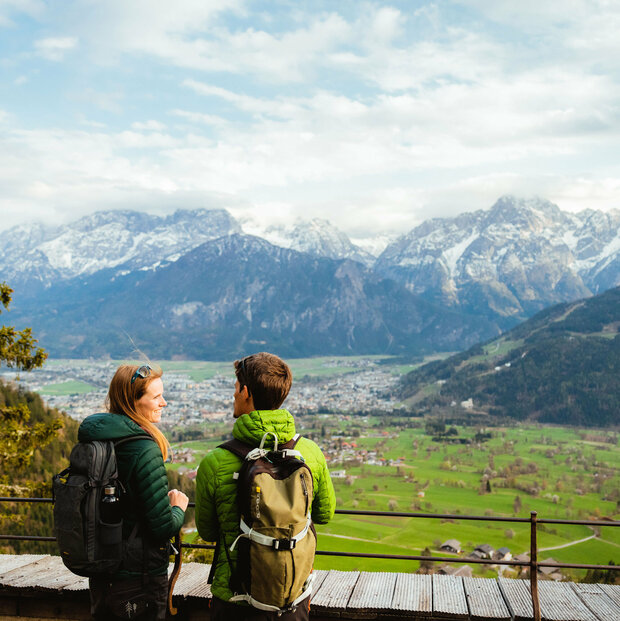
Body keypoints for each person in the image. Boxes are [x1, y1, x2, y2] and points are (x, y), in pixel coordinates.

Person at [196, 352, 336, 621]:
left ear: (246, 392)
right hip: (293, 598)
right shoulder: (310, 453)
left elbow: (208, 530)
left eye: (236, 388)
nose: (233, 394)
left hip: (235, 600)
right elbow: (324, 515)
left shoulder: (215, 462)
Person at [78, 364, 189, 620]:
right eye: (156, 397)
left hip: (102, 570)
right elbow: (161, 527)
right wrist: (177, 508)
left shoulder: (97, 440)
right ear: (133, 402)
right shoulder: (143, 448)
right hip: (138, 577)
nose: (164, 403)